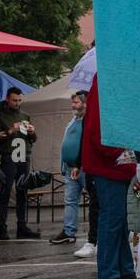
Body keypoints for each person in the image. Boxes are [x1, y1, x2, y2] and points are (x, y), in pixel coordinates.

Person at [72, 77, 137, 279]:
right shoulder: (105, 85)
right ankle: (109, 273)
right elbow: (98, 133)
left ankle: (123, 268)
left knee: (119, 219)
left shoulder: (106, 84)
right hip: (109, 165)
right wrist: (125, 155)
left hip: (112, 164)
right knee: (112, 218)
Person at [0, 86, 38, 240]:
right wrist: (10, 131)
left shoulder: (25, 115)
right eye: (14, 100)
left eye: (19, 100)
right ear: (7, 99)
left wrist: (32, 132)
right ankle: (2, 227)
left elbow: (33, 139)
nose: (17, 103)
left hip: (23, 156)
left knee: (22, 192)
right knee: (5, 192)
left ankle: (21, 226)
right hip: (8, 156)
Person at [52, 91, 89, 246]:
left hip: (84, 168)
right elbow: (65, 144)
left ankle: (97, 234)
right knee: (70, 201)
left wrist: (80, 165)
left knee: (96, 201)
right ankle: (69, 232)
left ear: (85, 103)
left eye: (76, 102)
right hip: (69, 169)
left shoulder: (89, 121)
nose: (73, 105)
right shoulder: (73, 121)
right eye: (72, 102)